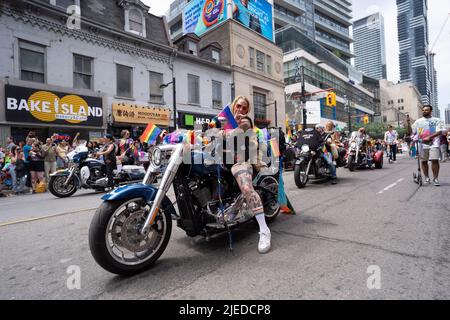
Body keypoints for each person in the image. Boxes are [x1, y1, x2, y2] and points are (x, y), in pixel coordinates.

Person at [229, 96, 271, 254]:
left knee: (246, 188)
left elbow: (240, 129)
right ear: (234, 106)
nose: (240, 110)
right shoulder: (223, 121)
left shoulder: (245, 121)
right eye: (238, 106)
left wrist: (233, 123)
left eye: (244, 108)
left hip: (242, 161)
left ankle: (264, 230)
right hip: (221, 162)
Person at [411, 105, 446, 186]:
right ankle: (427, 178)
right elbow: (413, 132)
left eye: (426, 110)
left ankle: (435, 179)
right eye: (423, 110)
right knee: (424, 162)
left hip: (434, 143)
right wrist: (409, 122)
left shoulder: (438, 120)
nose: (424, 111)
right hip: (422, 144)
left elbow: (440, 131)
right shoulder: (418, 121)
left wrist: (430, 137)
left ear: (431, 111)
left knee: (434, 160)